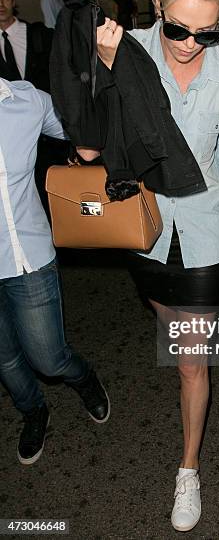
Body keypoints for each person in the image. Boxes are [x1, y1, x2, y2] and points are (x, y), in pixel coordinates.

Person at [84, 0, 219, 532]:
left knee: (189, 359)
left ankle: (188, 469)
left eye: (206, 31)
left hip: (206, 227)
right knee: (171, 327)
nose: (188, 43)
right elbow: (88, 151)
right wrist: (105, 73)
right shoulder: (121, 49)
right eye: (178, 26)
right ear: (156, 5)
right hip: (144, 225)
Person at [0, 77, 110, 466]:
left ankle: (84, 378)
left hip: (27, 253)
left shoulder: (26, 100)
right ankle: (33, 411)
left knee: (49, 358)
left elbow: (82, 130)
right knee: (6, 360)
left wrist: (84, 153)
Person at [0, 0, 69, 214]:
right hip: (10, 150)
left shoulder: (40, 35)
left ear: (14, 0)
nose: (0, 3)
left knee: (60, 210)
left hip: (51, 144)